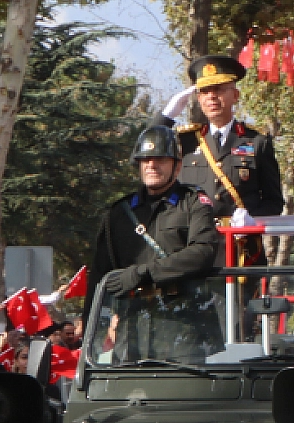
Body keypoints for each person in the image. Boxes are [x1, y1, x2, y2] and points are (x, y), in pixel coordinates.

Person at [88, 124, 221, 305]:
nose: (151, 165)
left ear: (177, 166)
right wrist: (91, 326)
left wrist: (143, 273)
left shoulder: (193, 203)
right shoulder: (119, 212)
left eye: (160, 159)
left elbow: (203, 252)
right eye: (145, 159)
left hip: (184, 317)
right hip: (132, 320)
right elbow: (99, 274)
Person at [158, 55, 285, 227]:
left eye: (218, 89)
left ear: (235, 95)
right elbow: (146, 156)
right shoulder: (185, 141)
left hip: (241, 245)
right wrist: (166, 118)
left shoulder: (256, 142)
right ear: (199, 98)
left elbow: (274, 202)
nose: (211, 96)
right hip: (196, 241)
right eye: (204, 91)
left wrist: (251, 220)